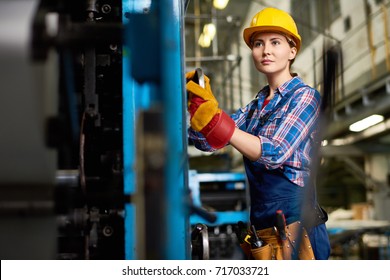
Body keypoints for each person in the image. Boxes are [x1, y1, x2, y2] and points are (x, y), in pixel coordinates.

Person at [186, 7, 331, 260]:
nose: (266, 50)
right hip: (263, 230)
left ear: (292, 51)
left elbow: (275, 152)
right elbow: (206, 143)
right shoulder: (254, 106)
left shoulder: (306, 97)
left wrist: (218, 121)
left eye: (275, 42)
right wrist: (199, 109)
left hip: (299, 231)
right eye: (258, 43)